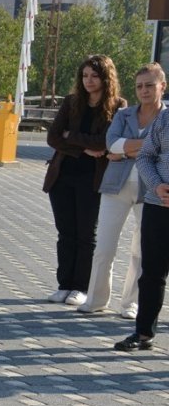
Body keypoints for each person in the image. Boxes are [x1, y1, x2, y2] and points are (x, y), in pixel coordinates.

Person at [82, 63, 165, 317]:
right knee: (104, 246)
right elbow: (111, 145)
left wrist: (125, 150)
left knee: (141, 250)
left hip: (151, 189)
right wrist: (144, 148)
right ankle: (95, 300)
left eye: (150, 85)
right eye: (140, 86)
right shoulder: (124, 114)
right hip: (115, 185)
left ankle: (130, 303)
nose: (144, 91)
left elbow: (155, 152)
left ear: (163, 86)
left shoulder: (166, 118)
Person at [43, 55, 124, 307]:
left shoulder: (117, 106)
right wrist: (83, 148)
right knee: (65, 232)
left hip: (93, 179)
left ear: (106, 78)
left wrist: (73, 136)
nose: (88, 80)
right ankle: (64, 284)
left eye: (95, 75)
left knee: (86, 234)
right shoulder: (71, 102)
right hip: (63, 176)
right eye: (85, 75)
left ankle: (81, 287)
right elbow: (54, 137)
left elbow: (104, 142)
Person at [117, 101, 169, 351]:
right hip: (157, 206)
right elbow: (146, 157)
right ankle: (143, 332)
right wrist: (157, 186)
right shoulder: (164, 119)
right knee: (151, 273)